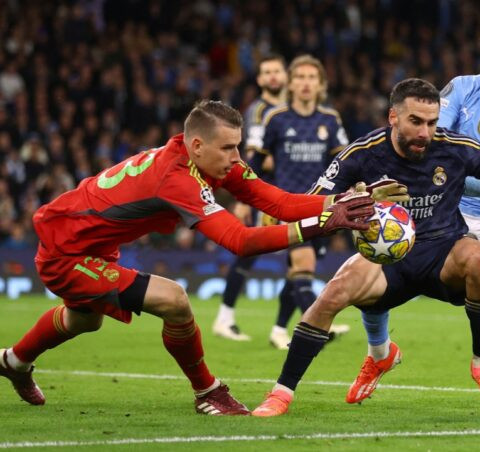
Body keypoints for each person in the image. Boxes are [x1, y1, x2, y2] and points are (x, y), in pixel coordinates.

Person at [251, 78, 480, 417]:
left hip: (443, 255)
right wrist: (355, 199)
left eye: (432, 122)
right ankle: (281, 392)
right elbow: (315, 202)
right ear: (393, 117)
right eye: (415, 122)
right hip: (388, 259)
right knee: (333, 292)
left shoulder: (456, 147)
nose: (425, 132)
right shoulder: (363, 154)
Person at [0, 100, 375, 415]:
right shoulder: (177, 179)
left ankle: (14, 362)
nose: (237, 157)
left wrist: (341, 202)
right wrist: (322, 225)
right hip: (67, 253)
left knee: (84, 321)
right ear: (197, 145)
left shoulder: (206, 160)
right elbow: (240, 241)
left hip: (90, 245)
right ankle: (207, 391)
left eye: (238, 146)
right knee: (175, 300)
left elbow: (277, 201)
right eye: (228, 148)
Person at [349, 21, 480, 416]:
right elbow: (428, 149)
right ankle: (379, 352)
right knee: (375, 262)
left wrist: (456, 172)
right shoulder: (462, 88)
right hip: (449, 211)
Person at [247, 54, 351, 349]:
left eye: (312, 78)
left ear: (321, 86)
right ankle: (318, 326)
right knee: (303, 262)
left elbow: (342, 160)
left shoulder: (330, 120)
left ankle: (280, 329)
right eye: (300, 78)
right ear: (290, 84)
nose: (306, 84)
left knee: (299, 272)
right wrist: (247, 199)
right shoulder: (276, 119)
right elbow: (256, 159)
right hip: (286, 204)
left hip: (321, 205)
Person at [212, 54, 288, 341]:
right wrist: (244, 199)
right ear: (259, 79)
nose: (272, 76)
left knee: (288, 255)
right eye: (266, 72)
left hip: (284, 190)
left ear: (285, 76)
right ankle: (226, 317)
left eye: (276, 71)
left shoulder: (289, 110)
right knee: (252, 253)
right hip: (264, 193)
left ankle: (306, 319)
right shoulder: (258, 112)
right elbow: (256, 157)